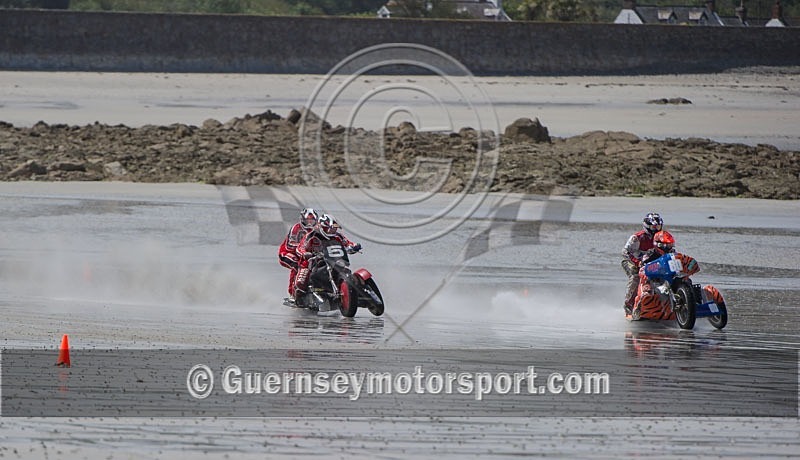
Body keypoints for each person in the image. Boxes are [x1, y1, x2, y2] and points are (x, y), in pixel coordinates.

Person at [293, 213, 361, 301]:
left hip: (334, 260)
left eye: (334, 228)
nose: (332, 231)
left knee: (346, 271)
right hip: (312, 263)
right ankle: (298, 300)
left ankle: (353, 291)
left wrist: (354, 246)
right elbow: (300, 247)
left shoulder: (337, 236)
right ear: (322, 227)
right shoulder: (311, 236)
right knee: (300, 282)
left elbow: (348, 243)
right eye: (330, 229)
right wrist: (305, 253)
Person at [621, 212, 663, 315]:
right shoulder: (637, 237)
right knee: (636, 276)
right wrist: (637, 262)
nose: (656, 229)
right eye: (654, 227)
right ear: (647, 226)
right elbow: (625, 252)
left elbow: (669, 249)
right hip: (631, 261)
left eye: (658, 226)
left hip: (651, 262)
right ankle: (628, 303)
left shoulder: (661, 237)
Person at [630, 230, 678, 320]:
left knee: (686, 281)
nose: (668, 247)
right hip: (654, 280)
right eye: (665, 245)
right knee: (646, 289)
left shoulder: (674, 254)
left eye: (670, 245)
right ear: (658, 244)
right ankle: (638, 308)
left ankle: (690, 303)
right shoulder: (650, 254)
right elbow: (642, 266)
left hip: (670, 279)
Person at [278, 207, 319, 297]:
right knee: (298, 265)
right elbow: (290, 245)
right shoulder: (296, 228)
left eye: (311, 220)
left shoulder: (318, 229)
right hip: (288, 253)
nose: (309, 223)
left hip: (307, 254)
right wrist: (304, 248)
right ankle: (293, 292)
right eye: (307, 220)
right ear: (302, 220)